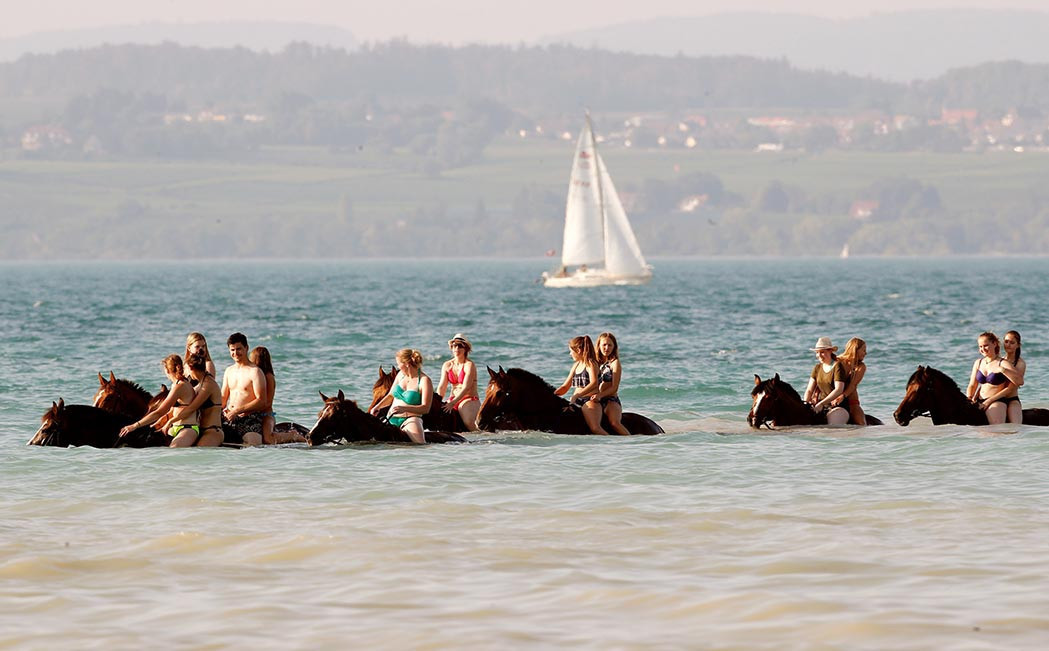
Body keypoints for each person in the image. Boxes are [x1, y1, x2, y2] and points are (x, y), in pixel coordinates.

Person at [119, 354, 201, 447]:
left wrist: (135, 425)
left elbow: (160, 412)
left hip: (188, 428)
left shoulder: (180, 386)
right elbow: (172, 411)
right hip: (174, 427)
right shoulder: (176, 384)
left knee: (173, 451)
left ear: (167, 370)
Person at [370, 348, 433, 444]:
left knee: (420, 444)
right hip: (391, 418)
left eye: (399, 363)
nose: (398, 366)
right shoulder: (400, 375)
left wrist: (404, 409)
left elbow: (425, 408)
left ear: (407, 364)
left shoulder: (425, 381)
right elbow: (391, 396)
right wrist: (377, 407)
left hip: (411, 420)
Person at [249, 346, 305, 444]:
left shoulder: (268, 377)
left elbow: (268, 403)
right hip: (253, 414)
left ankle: (293, 435)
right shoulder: (253, 376)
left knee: (268, 439)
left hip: (267, 414)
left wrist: (248, 410)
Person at [220, 332, 267, 446]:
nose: (235, 353)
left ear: (246, 348)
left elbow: (262, 401)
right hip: (229, 416)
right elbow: (223, 399)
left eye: (239, 349)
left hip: (249, 417)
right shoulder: (229, 371)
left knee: (253, 445)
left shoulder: (255, 371)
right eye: (232, 350)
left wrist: (237, 411)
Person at [554, 335, 607, 434]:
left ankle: (613, 445)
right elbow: (565, 387)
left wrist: (577, 395)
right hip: (576, 401)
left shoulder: (591, 364)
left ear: (578, 350)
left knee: (595, 428)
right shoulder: (576, 365)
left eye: (571, 351)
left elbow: (594, 383)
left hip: (590, 400)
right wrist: (551, 395)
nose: (570, 354)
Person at [587, 332, 631, 436]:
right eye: (604, 345)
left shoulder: (615, 363)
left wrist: (600, 395)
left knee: (614, 423)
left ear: (614, 346)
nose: (607, 348)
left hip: (610, 400)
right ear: (598, 346)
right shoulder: (594, 362)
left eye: (610, 345)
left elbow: (614, 388)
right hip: (595, 399)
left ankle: (631, 441)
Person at [965, 331, 1012, 425]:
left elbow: (1011, 387)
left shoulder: (1003, 363)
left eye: (985, 345)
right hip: (979, 401)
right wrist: (969, 398)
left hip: (996, 401)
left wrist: (989, 401)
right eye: (980, 346)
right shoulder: (978, 362)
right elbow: (972, 385)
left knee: (995, 431)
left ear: (994, 344)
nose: (983, 349)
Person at [437, 333, 480, 431]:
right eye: (454, 345)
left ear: (466, 349)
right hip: (453, 398)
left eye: (460, 346)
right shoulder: (447, 365)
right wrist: (438, 401)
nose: (456, 348)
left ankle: (481, 439)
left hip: (469, 399)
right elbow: (442, 387)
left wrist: (453, 403)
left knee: (468, 423)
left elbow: (466, 387)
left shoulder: (469, 365)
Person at [181, 350, 225, 447]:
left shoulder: (208, 384)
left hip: (212, 430)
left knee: (200, 451)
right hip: (200, 430)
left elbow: (192, 407)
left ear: (191, 368)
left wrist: (170, 421)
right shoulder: (201, 382)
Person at [802, 337, 850, 425]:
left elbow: (839, 389)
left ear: (830, 351)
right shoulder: (817, 368)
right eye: (817, 352)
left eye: (822, 352)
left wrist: (821, 403)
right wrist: (806, 404)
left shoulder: (838, 366)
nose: (819, 355)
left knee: (832, 428)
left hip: (838, 407)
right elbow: (809, 390)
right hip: (819, 406)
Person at [831, 337, 868, 425]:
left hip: (851, 400)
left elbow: (853, 385)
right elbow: (824, 378)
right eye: (863, 350)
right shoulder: (837, 361)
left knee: (862, 423)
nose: (865, 353)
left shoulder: (861, 366)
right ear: (855, 349)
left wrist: (843, 396)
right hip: (832, 396)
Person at [1000, 330, 1026, 424]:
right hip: (998, 399)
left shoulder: (1020, 363)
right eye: (1006, 341)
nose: (1008, 345)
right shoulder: (1000, 360)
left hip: (1011, 399)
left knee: (1016, 425)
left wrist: (991, 399)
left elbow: (1011, 388)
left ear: (1018, 345)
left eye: (1012, 342)